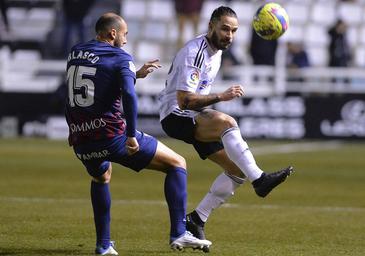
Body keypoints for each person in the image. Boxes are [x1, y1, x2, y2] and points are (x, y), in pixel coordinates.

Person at [65, 12, 212, 255]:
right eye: (124, 34)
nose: (125, 39)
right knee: (177, 164)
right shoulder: (120, 56)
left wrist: (135, 74)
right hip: (112, 136)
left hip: (81, 140)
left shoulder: (75, 52)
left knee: (101, 177)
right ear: (113, 33)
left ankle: (103, 245)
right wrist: (131, 135)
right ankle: (178, 233)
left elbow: (96, 81)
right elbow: (129, 96)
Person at [158, 6, 294, 251]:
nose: (229, 35)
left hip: (193, 114)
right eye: (224, 28)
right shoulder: (196, 52)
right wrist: (221, 96)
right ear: (211, 26)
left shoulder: (216, 51)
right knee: (227, 122)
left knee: (236, 171)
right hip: (176, 114)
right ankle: (260, 180)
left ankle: (196, 219)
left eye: (233, 31)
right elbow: (184, 100)